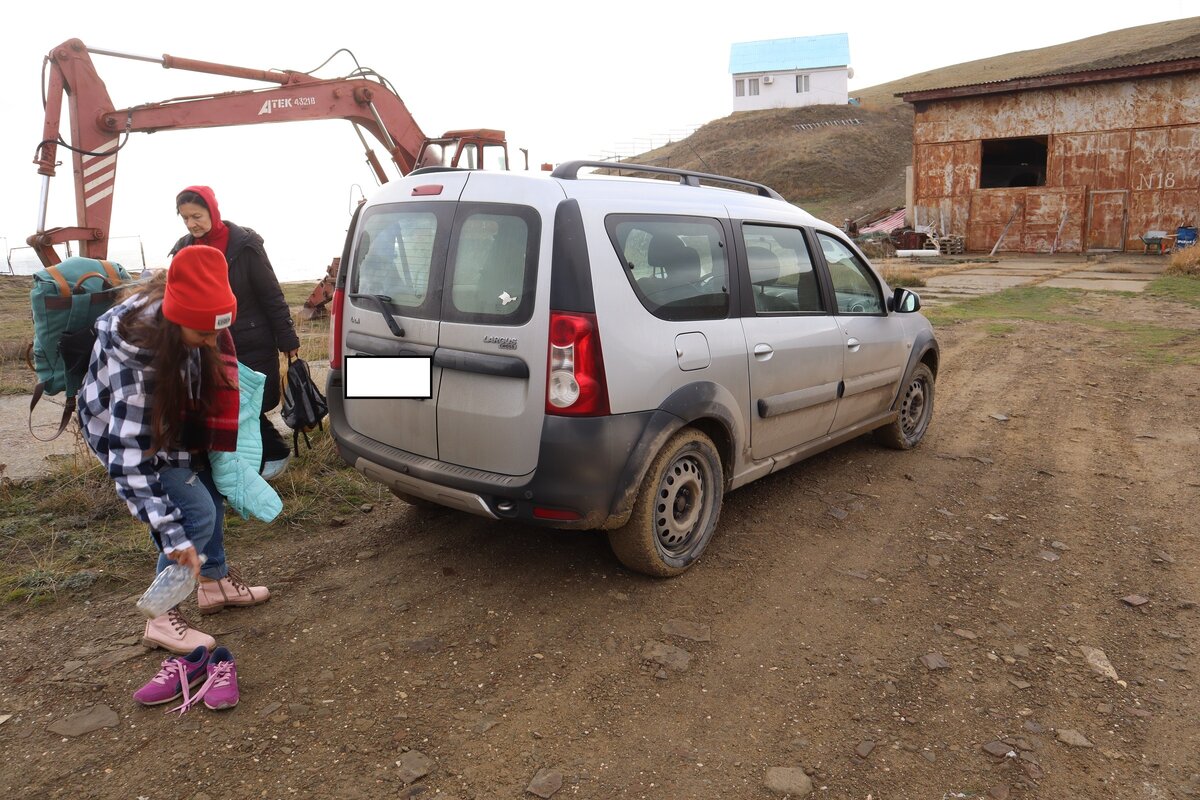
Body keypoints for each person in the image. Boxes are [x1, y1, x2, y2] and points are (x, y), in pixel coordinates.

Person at [79, 245, 270, 654]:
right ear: (175, 319)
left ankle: (214, 583)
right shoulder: (139, 362)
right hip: (129, 435)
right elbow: (129, 459)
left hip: (174, 419)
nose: (211, 341)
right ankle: (162, 620)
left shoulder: (185, 314)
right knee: (194, 514)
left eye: (217, 331)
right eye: (203, 333)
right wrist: (172, 536)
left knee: (211, 494)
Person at [171, 186, 300, 479]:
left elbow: (271, 294)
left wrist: (288, 338)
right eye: (185, 218)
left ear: (212, 212)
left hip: (250, 340)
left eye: (197, 216)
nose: (192, 224)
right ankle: (246, 460)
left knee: (249, 405)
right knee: (222, 404)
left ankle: (275, 453)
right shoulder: (183, 249)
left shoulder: (243, 244)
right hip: (207, 344)